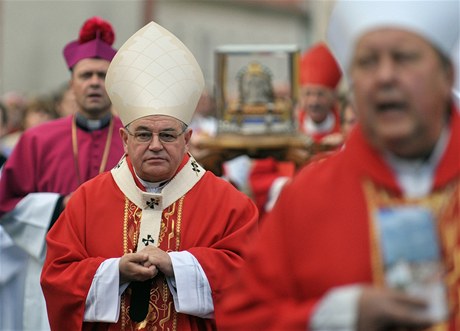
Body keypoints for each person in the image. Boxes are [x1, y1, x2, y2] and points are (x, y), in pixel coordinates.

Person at [217, 1, 460, 330]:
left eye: (404, 57)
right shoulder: (307, 198)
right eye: (367, 61)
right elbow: (241, 320)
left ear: (447, 74)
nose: (385, 76)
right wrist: (329, 316)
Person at [40, 21, 258, 331]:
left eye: (167, 135)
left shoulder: (229, 203)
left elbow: (252, 279)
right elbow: (56, 279)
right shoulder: (88, 200)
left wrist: (177, 265)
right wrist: (114, 272)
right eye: (143, 134)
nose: (155, 145)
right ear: (125, 139)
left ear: (187, 139)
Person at [0, 16, 124, 330]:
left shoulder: (135, 137)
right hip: (51, 267)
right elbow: (7, 204)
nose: (95, 82)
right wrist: (59, 206)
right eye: (86, 75)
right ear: (72, 83)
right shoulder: (37, 139)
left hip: (118, 270)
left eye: (103, 75)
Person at [297, 42, 343, 146]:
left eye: (320, 94)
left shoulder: (346, 132)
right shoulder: (291, 131)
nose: (314, 102)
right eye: (308, 94)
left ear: (334, 96)